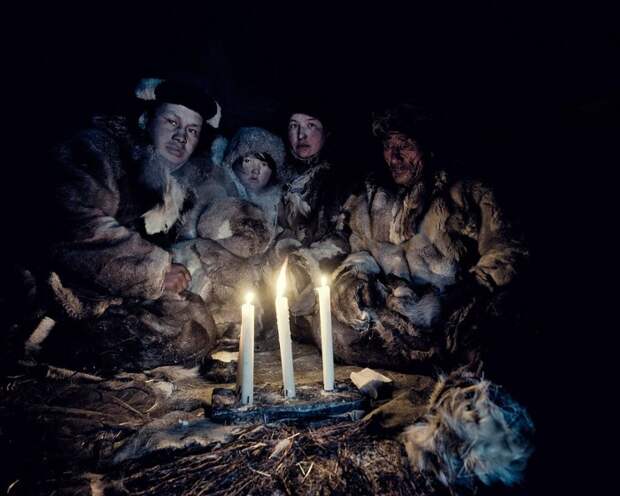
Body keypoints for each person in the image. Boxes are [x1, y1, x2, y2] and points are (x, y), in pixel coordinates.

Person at [38, 78, 223, 373]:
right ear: (146, 119)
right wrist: (155, 270)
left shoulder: (173, 183)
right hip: (59, 294)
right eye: (172, 122)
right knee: (182, 337)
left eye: (192, 131)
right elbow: (70, 223)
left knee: (198, 322)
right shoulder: (96, 150)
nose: (181, 137)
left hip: (120, 293)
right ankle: (52, 345)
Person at [325, 103, 528, 371]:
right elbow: (362, 249)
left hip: (446, 322)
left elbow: (506, 251)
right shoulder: (373, 198)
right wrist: (355, 276)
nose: (394, 157)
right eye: (388, 145)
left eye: (405, 145)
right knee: (332, 326)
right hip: (391, 322)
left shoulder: (466, 194)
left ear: (427, 146)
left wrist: (467, 297)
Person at [172, 127, 286, 341]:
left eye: (263, 165)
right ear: (233, 160)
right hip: (203, 275)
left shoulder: (275, 204)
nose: (255, 171)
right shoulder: (212, 190)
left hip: (247, 294)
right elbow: (196, 236)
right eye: (247, 161)